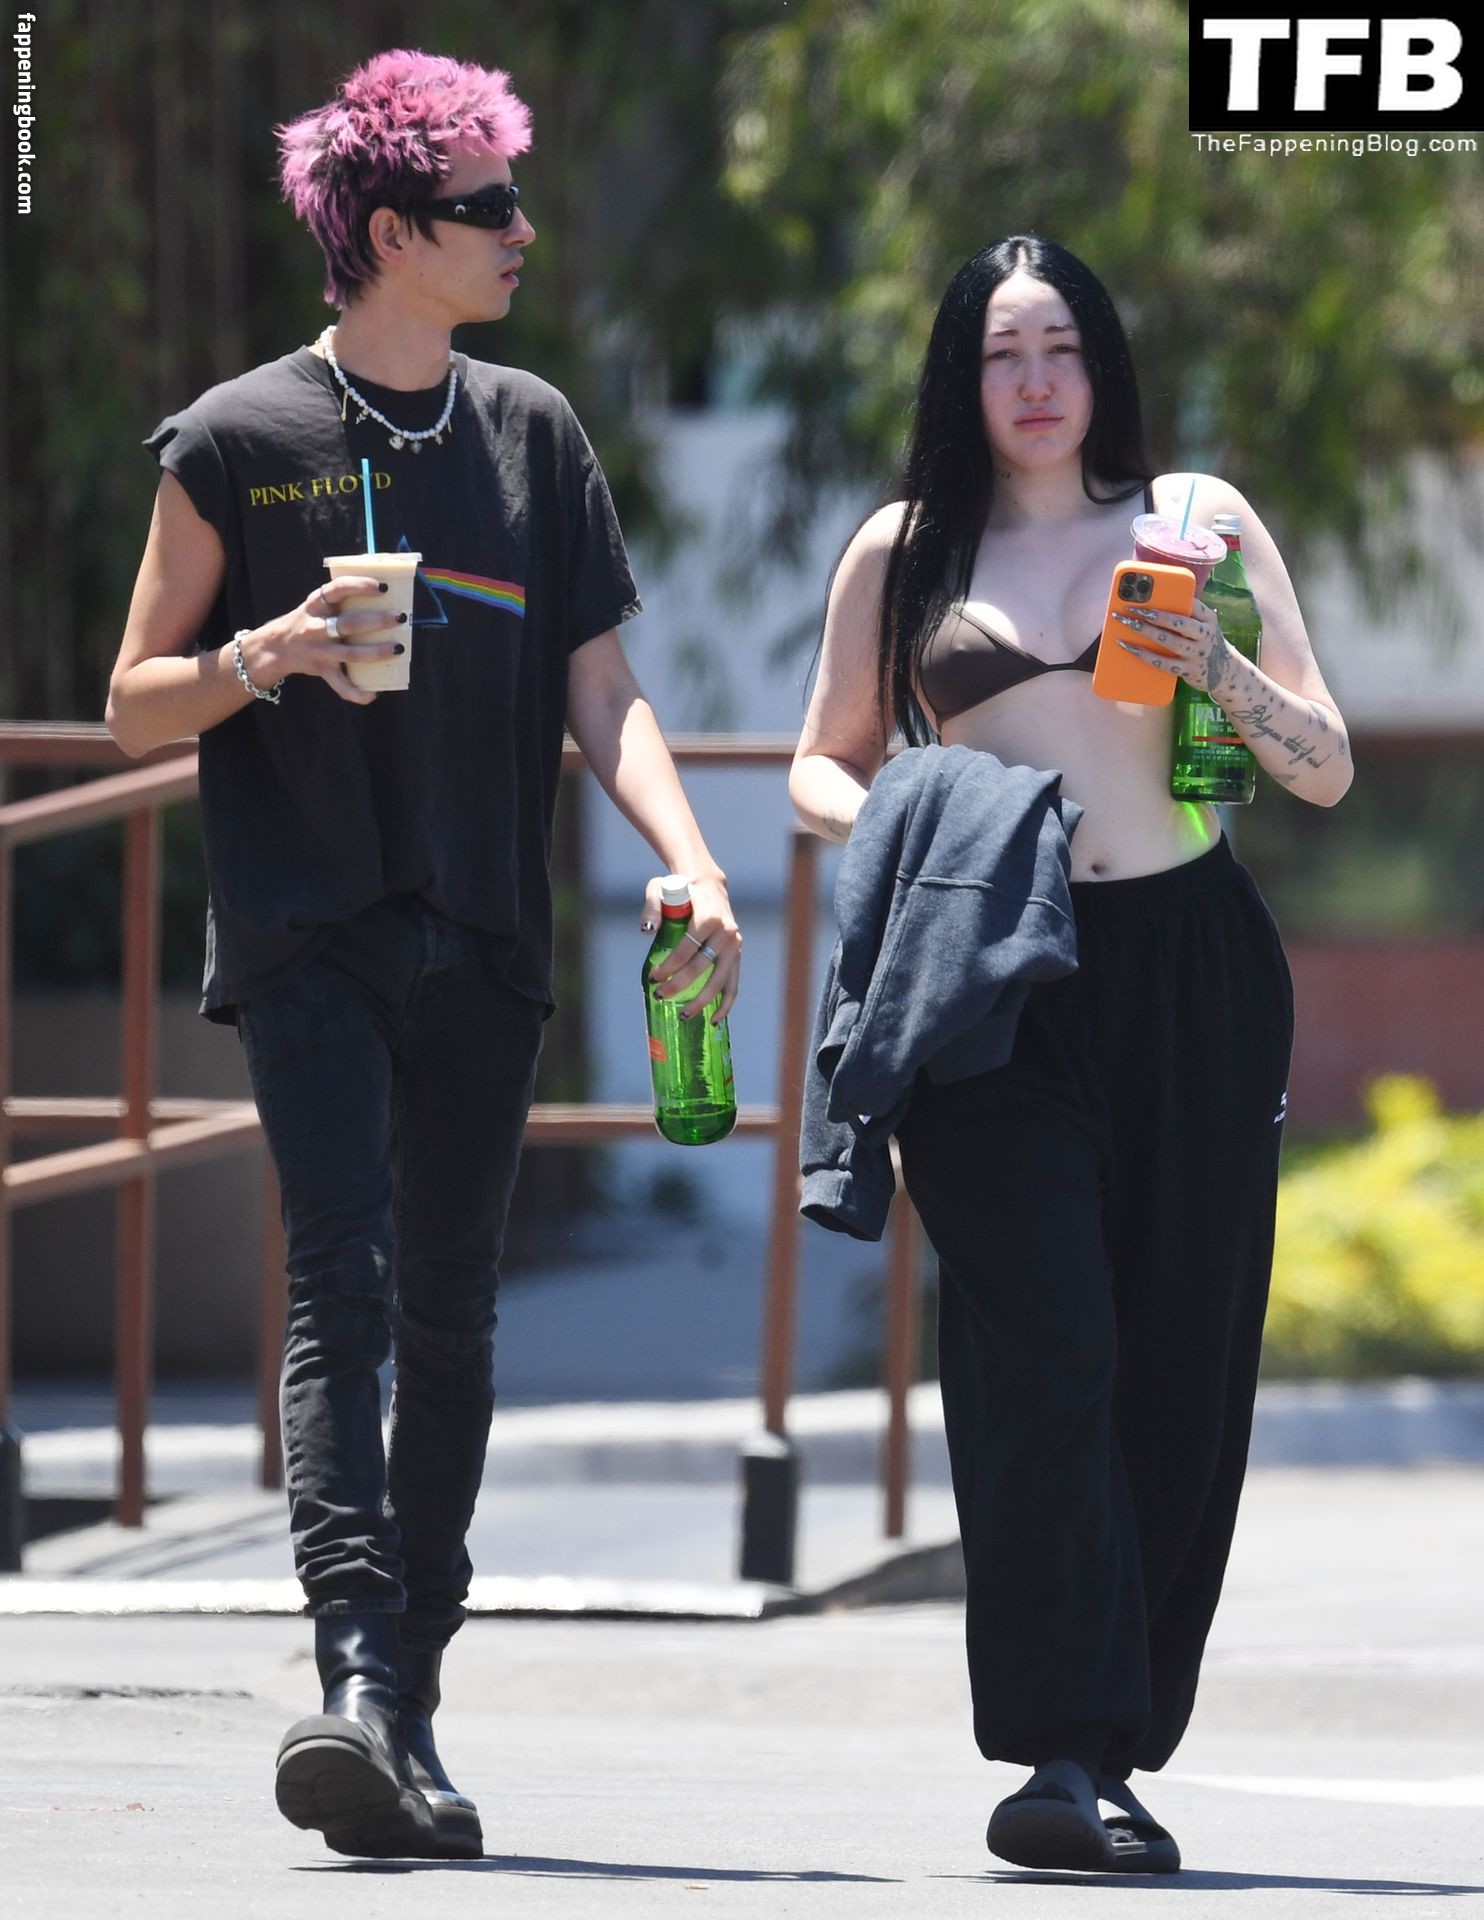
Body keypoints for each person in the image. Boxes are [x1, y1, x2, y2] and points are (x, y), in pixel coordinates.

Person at [105, 50, 741, 1861]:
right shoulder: (235, 441)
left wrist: (694, 861)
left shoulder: (533, 434)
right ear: (390, 233)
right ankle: (356, 1673)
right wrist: (265, 657)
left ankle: (409, 1701)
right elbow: (133, 699)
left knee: (453, 1309)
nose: (523, 230)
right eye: (488, 207)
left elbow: (601, 691)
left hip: (483, 929)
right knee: (346, 1284)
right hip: (308, 924)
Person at [789, 234, 1352, 1874]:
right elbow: (822, 769)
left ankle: (1119, 1738)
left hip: (1190, 969)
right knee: (1039, 1350)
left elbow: (1321, 766)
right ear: (960, 378)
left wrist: (1215, 668)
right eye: (1000, 352)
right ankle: (1059, 1750)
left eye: (1060, 348)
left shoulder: (1197, 520)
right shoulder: (905, 547)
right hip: (990, 973)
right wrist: (917, 818)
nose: (1033, 381)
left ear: (1103, 365)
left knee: (1179, 1354)